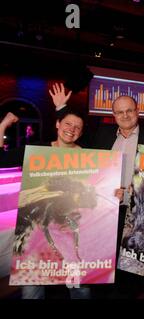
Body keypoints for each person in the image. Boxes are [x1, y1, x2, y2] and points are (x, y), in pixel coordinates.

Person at [52, 84, 144, 298]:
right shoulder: (101, 136)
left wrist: (136, 187)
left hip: (138, 216)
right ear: (113, 115)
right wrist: (61, 108)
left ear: (137, 112)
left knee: (141, 273)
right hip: (105, 214)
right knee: (108, 270)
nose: (125, 115)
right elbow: (70, 135)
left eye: (129, 110)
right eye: (120, 112)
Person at [0, 109, 92, 299]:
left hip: (73, 232)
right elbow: (1, 159)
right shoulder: (36, 151)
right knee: (32, 289)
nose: (71, 129)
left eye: (77, 127)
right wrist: (3, 125)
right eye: (67, 124)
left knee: (80, 287)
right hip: (38, 233)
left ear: (81, 133)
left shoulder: (89, 156)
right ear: (58, 124)